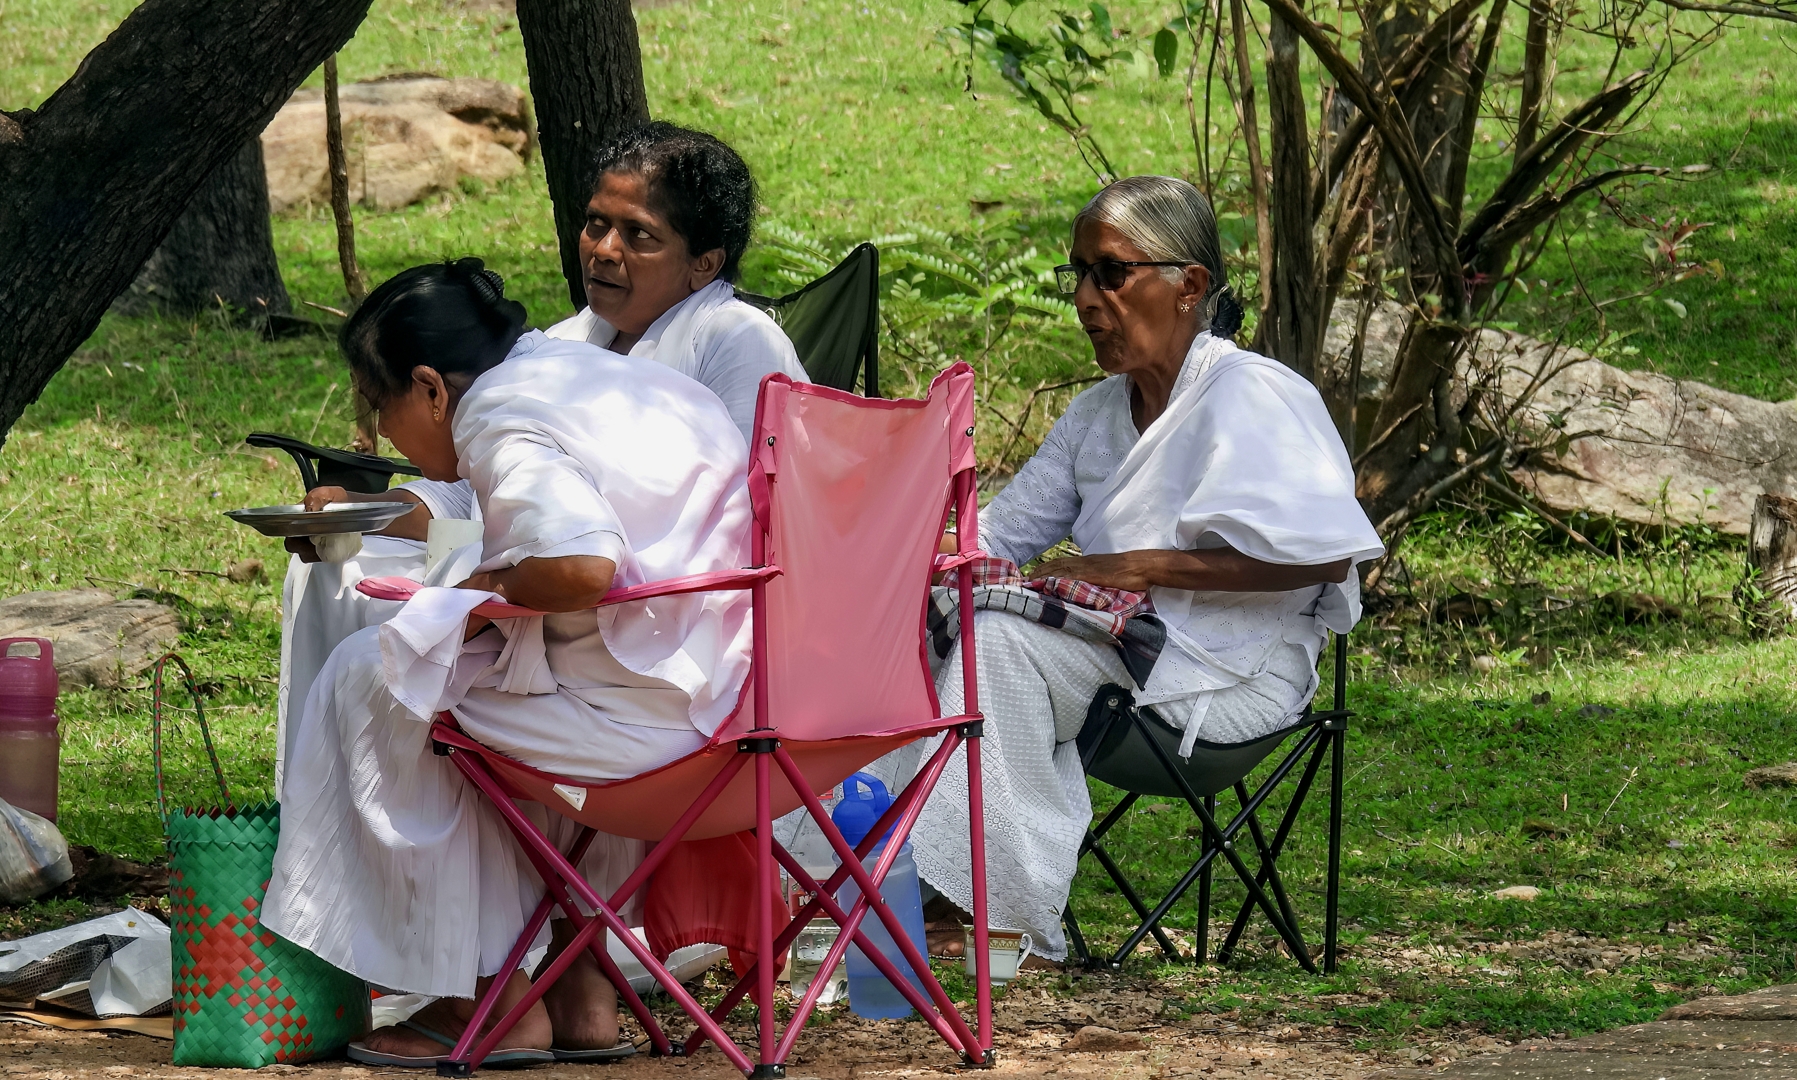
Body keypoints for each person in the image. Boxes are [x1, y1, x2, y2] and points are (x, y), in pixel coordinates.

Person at [261, 259, 752, 1066]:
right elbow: (503, 500)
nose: (377, 434)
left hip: (649, 726)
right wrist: (395, 519)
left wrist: (485, 582)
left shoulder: (494, 410)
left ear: (428, 389)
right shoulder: (591, 373)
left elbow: (579, 564)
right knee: (491, 668)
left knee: (380, 673)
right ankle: (580, 986)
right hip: (734, 698)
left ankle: (484, 1001)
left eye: (374, 403)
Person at [900, 176, 1385, 965]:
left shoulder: (1253, 392)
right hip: (1116, 667)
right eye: (1078, 275)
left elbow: (1322, 554)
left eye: (1111, 273)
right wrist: (903, 545)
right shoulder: (1095, 414)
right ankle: (861, 888)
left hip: (1229, 684)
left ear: (1188, 285)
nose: (1086, 299)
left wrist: (1138, 568)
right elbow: (997, 536)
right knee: (924, 622)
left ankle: (993, 916)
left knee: (996, 642)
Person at [275, 121, 805, 784]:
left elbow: (747, 519)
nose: (604, 251)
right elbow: (483, 495)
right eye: (594, 224)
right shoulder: (569, 341)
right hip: (562, 581)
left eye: (637, 235)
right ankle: (316, 805)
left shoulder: (735, 340)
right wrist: (366, 513)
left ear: (704, 262)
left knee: (384, 665)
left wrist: (479, 593)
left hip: (670, 636)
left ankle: (409, 859)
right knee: (335, 566)